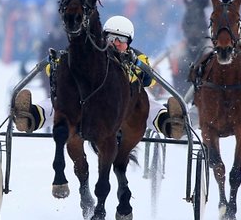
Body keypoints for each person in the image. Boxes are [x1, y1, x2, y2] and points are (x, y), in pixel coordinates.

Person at [12, 15, 184, 138]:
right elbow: (64, 71)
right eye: (112, 38)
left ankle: (170, 124)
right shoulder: (90, 55)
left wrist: (137, 73)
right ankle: (29, 117)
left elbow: (149, 79)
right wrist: (57, 66)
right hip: (89, 105)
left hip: (124, 106)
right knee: (59, 102)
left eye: (121, 39)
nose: (116, 43)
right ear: (104, 37)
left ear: (129, 42)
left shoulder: (137, 57)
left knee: (147, 105)